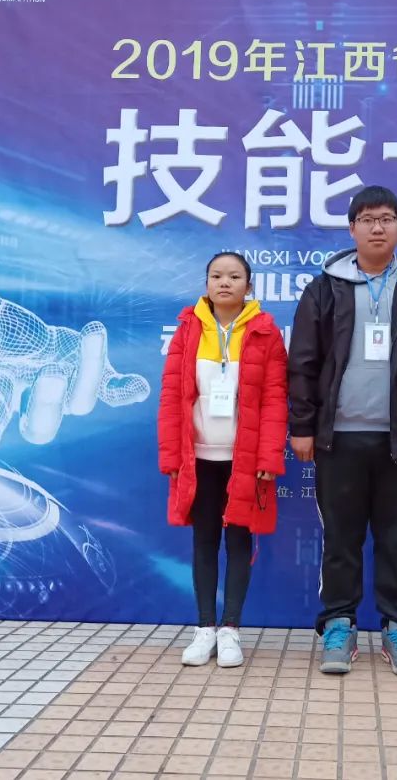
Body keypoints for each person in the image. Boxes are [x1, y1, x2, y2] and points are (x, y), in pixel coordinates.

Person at [288, 185, 397, 676]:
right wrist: (303, 425)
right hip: (339, 436)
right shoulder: (325, 289)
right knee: (341, 539)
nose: (377, 228)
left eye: (386, 219)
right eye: (367, 220)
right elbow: (304, 362)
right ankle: (339, 625)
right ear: (352, 229)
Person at [158, 252, 288, 668]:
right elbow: (171, 397)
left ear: (249, 286)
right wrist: (171, 455)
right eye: (216, 276)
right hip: (197, 458)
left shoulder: (265, 332)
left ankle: (231, 629)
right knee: (204, 541)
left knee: (239, 542)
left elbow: (275, 400)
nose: (225, 283)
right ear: (207, 283)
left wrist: (269, 455)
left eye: (234, 276)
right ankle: (204, 629)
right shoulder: (188, 329)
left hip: (244, 459)